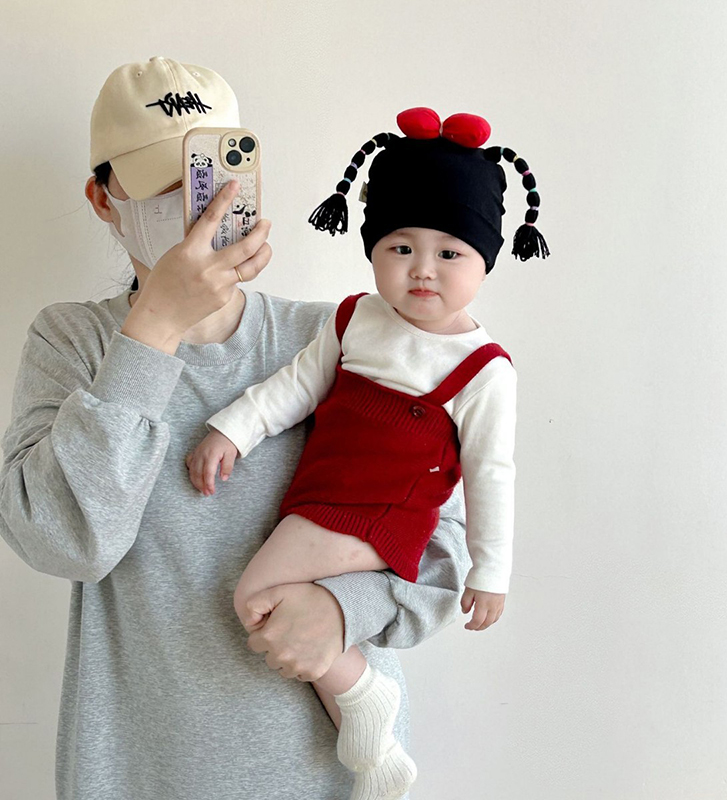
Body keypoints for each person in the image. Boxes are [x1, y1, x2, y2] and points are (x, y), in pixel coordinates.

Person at [0, 58, 472, 800]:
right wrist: (154, 327)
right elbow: (67, 542)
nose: (198, 205)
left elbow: (444, 545)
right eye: (164, 182)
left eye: (211, 172)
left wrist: (344, 611)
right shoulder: (73, 344)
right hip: (138, 772)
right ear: (103, 199)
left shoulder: (339, 338)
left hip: (330, 774)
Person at [185, 106, 550, 799]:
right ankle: (370, 742)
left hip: (382, 514)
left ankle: (365, 698)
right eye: (400, 247)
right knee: (287, 612)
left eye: (450, 253)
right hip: (325, 497)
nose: (423, 270)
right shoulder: (355, 317)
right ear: (372, 247)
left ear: (486, 260)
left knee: (255, 596)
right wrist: (233, 429)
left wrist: (491, 571)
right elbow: (296, 386)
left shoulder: (484, 369)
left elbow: (490, 475)